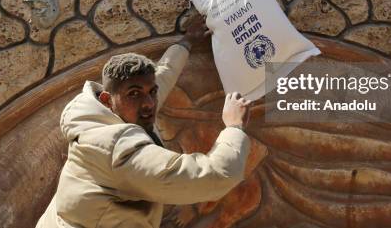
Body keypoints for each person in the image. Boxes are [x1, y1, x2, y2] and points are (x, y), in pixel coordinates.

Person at [35, 15, 252, 228]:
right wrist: (234, 127)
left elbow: (162, 76)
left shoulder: (99, 117)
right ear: (107, 99)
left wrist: (186, 42)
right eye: (134, 94)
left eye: (152, 92)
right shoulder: (121, 152)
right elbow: (214, 177)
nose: (148, 103)